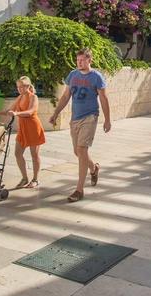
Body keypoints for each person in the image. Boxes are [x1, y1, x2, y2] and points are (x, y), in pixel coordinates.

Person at [49, 48, 111, 202]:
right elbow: (65, 96)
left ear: (90, 60)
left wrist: (108, 119)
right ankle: (94, 168)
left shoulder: (96, 77)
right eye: (78, 60)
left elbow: (103, 98)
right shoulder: (73, 75)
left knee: (82, 150)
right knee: (78, 153)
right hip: (75, 118)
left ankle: (79, 190)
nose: (79, 63)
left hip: (90, 116)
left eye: (82, 60)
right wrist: (55, 113)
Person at [0, 76, 45, 189]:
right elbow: (10, 110)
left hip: (33, 128)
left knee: (34, 155)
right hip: (23, 128)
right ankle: (24, 178)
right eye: (18, 87)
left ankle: (35, 179)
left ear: (28, 86)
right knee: (18, 154)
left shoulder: (34, 97)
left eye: (22, 87)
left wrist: (17, 114)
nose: (20, 89)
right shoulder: (20, 97)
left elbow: (30, 111)